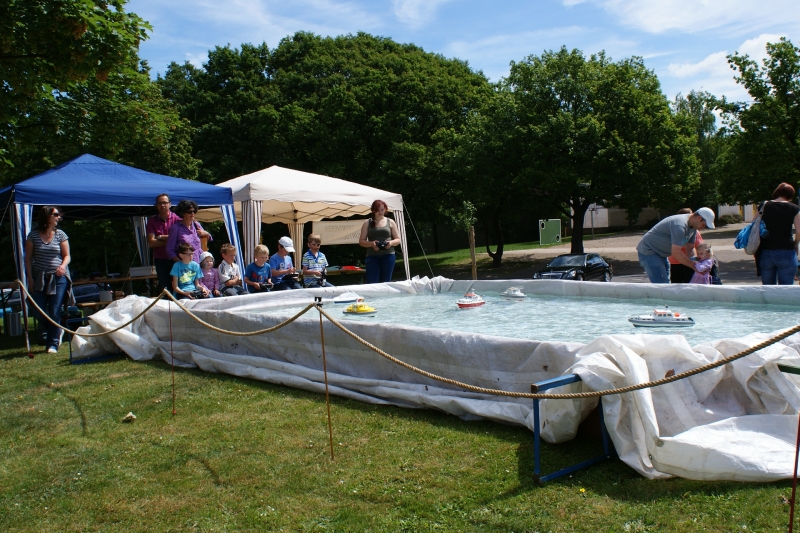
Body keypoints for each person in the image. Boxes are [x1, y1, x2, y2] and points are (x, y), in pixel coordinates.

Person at [25, 206, 71, 353]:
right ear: (47, 217)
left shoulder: (60, 234)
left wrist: (63, 266)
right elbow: (28, 258)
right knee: (37, 310)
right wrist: (29, 278)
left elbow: (67, 256)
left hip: (58, 278)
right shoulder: (33, 235)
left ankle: (52, 344)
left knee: (54, 310)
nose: (58, 217)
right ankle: (57, 330)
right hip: (39, 278)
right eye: (55, 214)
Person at [636, 207, 716, 284]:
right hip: (649, 251)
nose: (703, 227)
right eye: (704, 225)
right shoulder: (680, 225)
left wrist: (698, 263)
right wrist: (694, 266)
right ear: (699, 218)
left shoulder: (693, 228)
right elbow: (676, 252)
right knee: (662, 285)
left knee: (665, 283)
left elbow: (690, 248)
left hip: (662, 253)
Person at [757, 182, 800, 285]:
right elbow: (799, 231)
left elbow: (753, 224)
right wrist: (796, 244)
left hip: (765, 251)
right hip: (786, 250)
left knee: (768, 289)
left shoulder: (764, 206)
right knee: (785, 289)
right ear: (790, 195)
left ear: (777, 192)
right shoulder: (794, 208)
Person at [146, 193, 181, 294]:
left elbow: (181, 239)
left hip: (176, 258)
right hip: (160, 260)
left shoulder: (178, 219)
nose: (162, 205)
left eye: (165, 202)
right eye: (160, 203)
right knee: (165, 288)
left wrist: (160, 237)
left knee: (179, 286)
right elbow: (151, 243)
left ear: (170, 204)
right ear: (156, 205)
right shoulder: (152, 221)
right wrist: (172, 239)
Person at [359, 200, 401, 284]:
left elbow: (398, 240)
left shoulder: (391, 222)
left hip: (388, 255)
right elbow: (361, 241)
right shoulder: (367, 223)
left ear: (385, 209)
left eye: (382, 209)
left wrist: (390, 243)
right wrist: (371, 244)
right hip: (372, 256)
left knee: (386, 283)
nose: (380, 212)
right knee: (372, 283)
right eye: (377, 210)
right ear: (373, 210)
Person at [166, 199, 212, 265]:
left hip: (200, 264)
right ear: (183, 213)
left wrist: (207, 233)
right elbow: (169, 249)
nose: (192, 213)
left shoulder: (196, 225)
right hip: (185, 265)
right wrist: (180, 263)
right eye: (190, 212)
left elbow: (209, 239)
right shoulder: (175, 228)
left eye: (194, 211)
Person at [668, 208, 703, 284]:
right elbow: (699, 246)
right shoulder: (693, 230)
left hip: (673, 261)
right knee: (690, 284)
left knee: (676, 284)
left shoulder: (673, 229)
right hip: (688, 261)